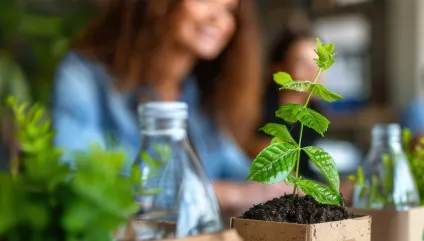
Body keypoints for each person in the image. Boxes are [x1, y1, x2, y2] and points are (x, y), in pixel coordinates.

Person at [51, 0, 292, 214]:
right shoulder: (83, 77)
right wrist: (228, 194)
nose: (219, 19)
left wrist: (299, 189)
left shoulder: (195, 94)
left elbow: (240, 171)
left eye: (229, 10)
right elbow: (76, 181)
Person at [248, 30, 320, 179]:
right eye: (302, 63)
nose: (314, 72)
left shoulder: (313, 112)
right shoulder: (257, 110)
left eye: (318, 63)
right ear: (278, 68)